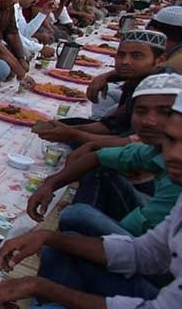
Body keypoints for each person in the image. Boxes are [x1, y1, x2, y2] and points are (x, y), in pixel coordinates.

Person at [0, 93, 182, 309]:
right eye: (171, 139)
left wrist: (44, 287)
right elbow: (143, 253)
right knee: (64, 243)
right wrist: (47, 237)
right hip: (157, 290)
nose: (176, 154)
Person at [27, 71, 181, 239]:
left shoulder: (175, 175)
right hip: (148, 226)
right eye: (141, 111)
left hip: (157, 250)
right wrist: (50, 184)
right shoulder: (155, 147)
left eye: (165, 112)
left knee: (75, 217)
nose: (149, 121)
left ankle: (76, 241)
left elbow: (142, 248)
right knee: (101, 169)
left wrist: (58, 240)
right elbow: (97, 157)